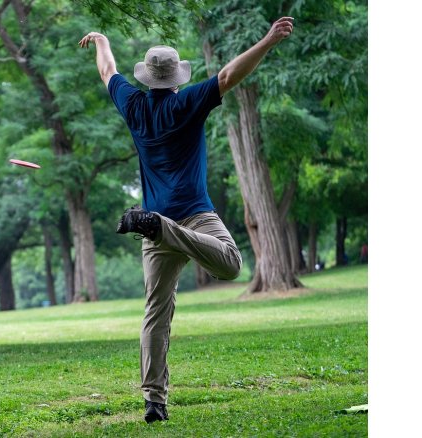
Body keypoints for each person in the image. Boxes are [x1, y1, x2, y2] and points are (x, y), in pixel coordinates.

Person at [79, 16, 294, 423]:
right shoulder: (186, 102)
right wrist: (267, 40)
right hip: (193, 216)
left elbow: (107, 70)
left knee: (155, 313)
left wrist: (102, 40)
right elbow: (229, 74)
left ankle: (154, 401)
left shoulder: (133, 104)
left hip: (155, 223)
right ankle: (154, 402)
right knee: (230, 263)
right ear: (176, 77)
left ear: (147, 79)